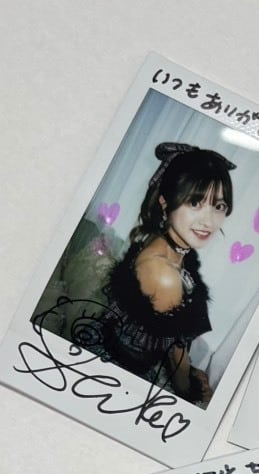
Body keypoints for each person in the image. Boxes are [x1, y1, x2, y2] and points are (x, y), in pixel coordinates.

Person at [96, 142, 235, 405]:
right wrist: (192, 393)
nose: (209, 220)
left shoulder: (171, 246)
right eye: (195, 202)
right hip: (125, 369)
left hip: (141, 354)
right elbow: (175, 359)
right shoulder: (164, 273)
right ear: (165, 202)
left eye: (218, 206)